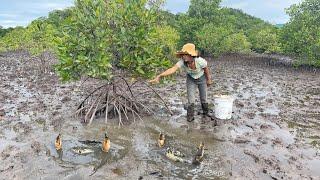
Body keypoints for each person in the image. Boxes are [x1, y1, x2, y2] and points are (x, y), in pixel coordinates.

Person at [149, 43, 213, 122]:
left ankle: (205, 113)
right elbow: (172, 69)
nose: (183, 56)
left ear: (191, 55)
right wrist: (160, 75)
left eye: (186, 54)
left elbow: (206, 70)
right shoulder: (182, 62)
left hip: (202, 77)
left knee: (203, 97)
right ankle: (190, 117)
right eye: (183, 54)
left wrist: (208, 80)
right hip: (191, 79)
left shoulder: (200, 61)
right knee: (191, 99)